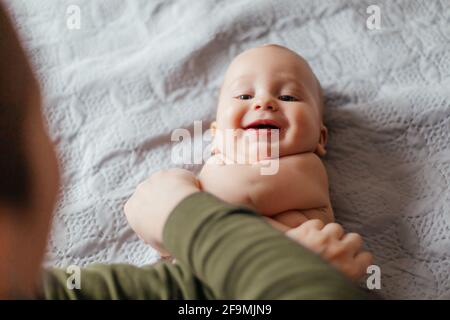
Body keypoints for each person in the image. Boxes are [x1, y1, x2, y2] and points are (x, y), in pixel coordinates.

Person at [0, 2, 369, 299]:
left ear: (321, 137)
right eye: (244, 96)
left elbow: (236, 196)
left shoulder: (302, 167)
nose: (265, 103)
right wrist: (176, 208)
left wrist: (179, 196)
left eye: (287, 96)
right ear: (215, 132)